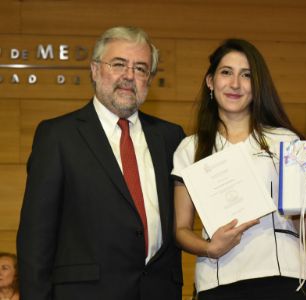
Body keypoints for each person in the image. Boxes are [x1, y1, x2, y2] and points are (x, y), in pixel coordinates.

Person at [17, 26, 185, 300]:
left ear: (149, 80)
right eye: (119, 64)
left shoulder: (171, 137)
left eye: (141, 68)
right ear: (95, 70)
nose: (129, 76)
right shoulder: (58, 136)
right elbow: (35, 239)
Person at [172, 38, 306, 300]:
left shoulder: (286, 141)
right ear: (210, 81)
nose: (235, 84)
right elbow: (181, 229)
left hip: (284, 278)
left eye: (246, 75)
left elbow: (298, 227)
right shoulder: (190, 148)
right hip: (218, 280)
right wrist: (210, 248)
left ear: (257, 85)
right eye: (226, 72)